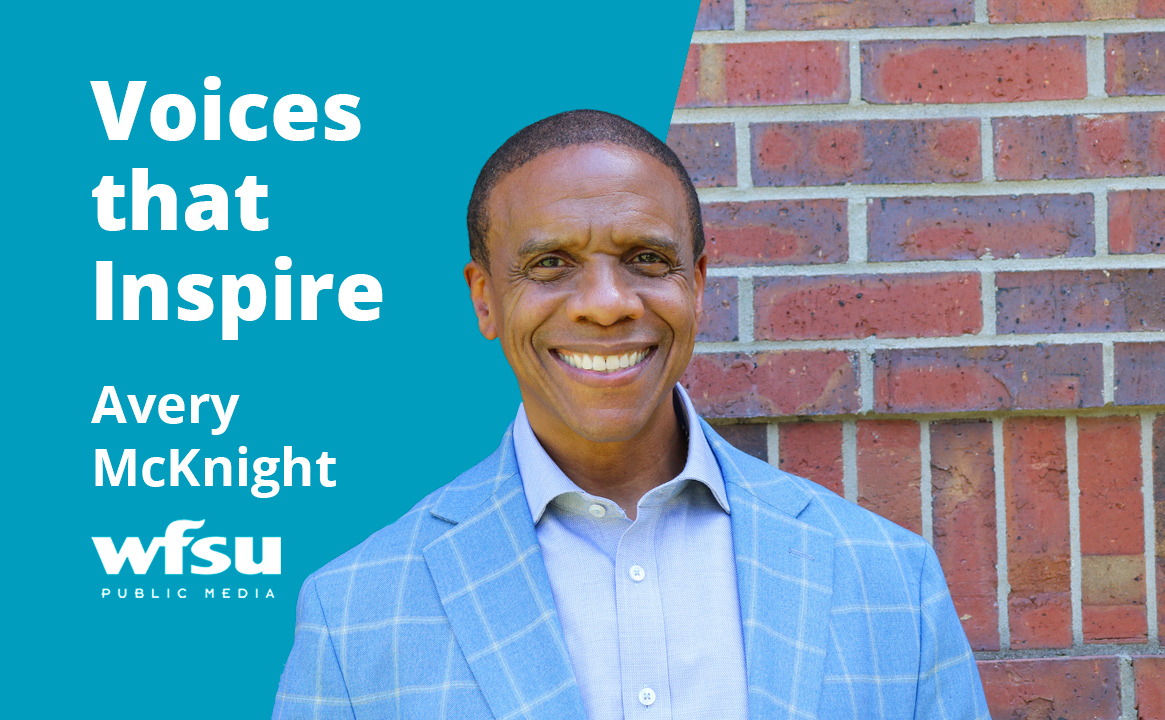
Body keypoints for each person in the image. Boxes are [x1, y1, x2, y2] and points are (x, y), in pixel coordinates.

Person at [273, 109, 990, 720]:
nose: (608, 302)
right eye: (551, 263)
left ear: (698, 283)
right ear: (484, 298)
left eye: (646, 258)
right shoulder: (356, 611)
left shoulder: (889, 580)